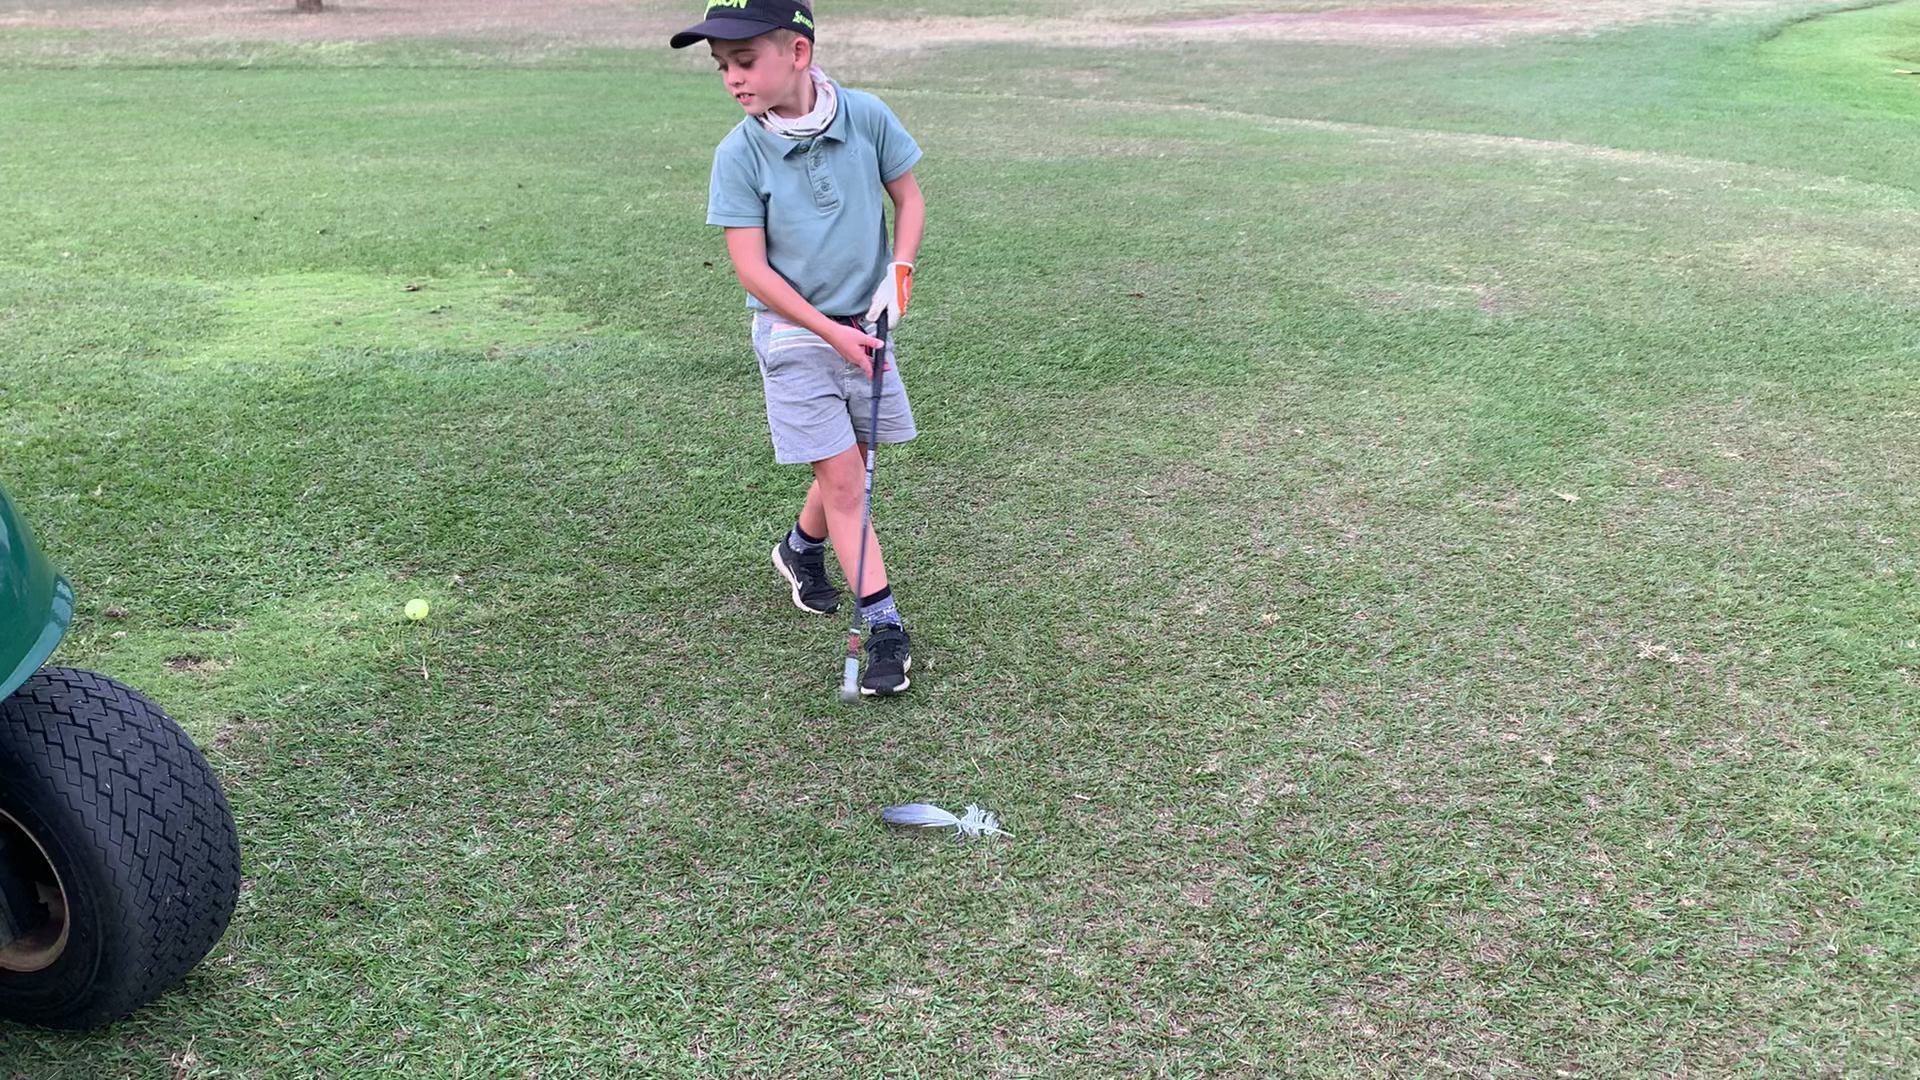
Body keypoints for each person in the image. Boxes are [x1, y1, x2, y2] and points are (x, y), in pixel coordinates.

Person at [671, 0, 925, 696]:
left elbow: (908, 196)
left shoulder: (866, 116)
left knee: (856, 464)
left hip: (864, 327)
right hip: (793, 336)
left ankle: (799, 549)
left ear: (799, 55)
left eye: (745, 61)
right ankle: (885, 629)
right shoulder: (738, 152)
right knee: (846, 484)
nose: (732, 79)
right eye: (722, 66)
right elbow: (752, 270)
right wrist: (829, 331)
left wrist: (898, 271)